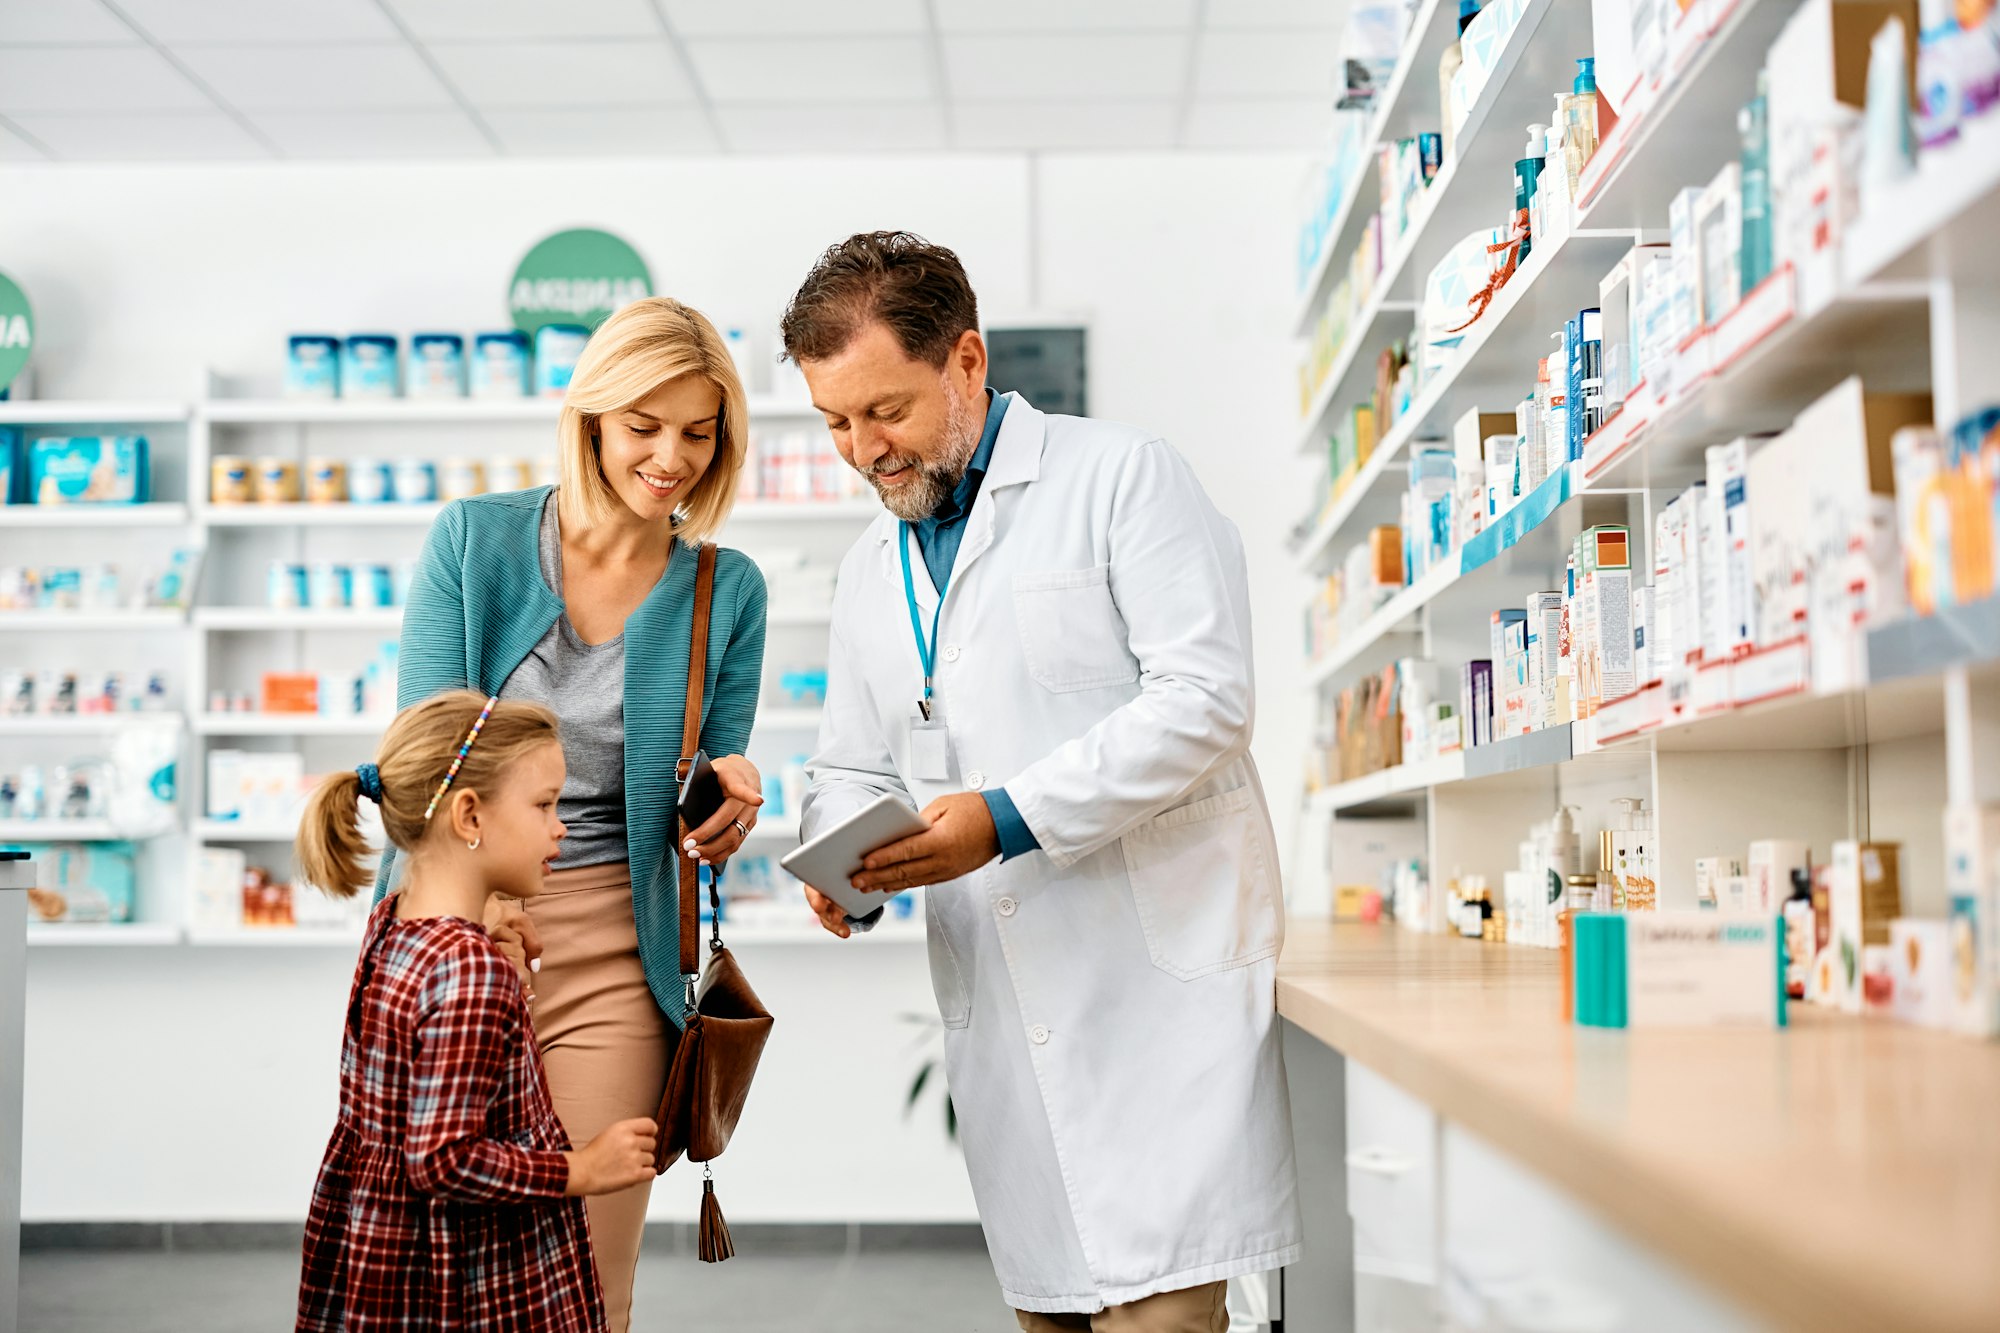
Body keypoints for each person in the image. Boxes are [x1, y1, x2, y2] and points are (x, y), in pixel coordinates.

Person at [783, 232, 1301, 1332]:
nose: (861, 448)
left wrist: (1006, 819)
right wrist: (842, 858)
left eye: (885, 410)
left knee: (1160, 1317)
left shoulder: (1120, 476)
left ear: (966, 361)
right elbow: (847, 759)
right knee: (1051, 1316)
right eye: (834, 420)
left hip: (1153, 1000)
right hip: (1006, 1007)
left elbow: (1203, 698)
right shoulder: (871, 565)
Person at [377, 298, 769, 1330]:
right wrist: (483, 915)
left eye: (698, 431)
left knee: (585, 1284)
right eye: (645, 425)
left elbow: (704, 795)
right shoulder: (475, 542)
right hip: (457, 939)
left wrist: (726, 807)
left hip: (612, 949)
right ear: (590, 415)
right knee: (438, 1268)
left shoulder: (725, 591)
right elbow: (423, 770)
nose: (670, 457)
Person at [295, 691, 658, 1332]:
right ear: (470, 816)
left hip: (381, 1244)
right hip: (467, 1269)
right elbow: (443, 1158)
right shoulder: (469, 969)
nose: (561, 827)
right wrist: (582, 1167)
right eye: (545, 804)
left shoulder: (391, 925)